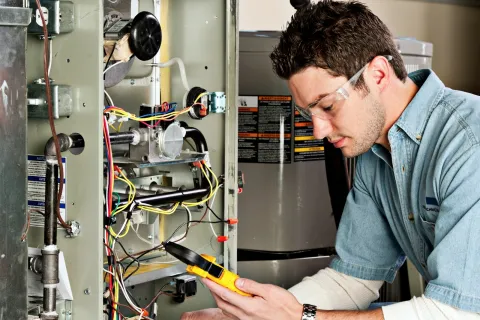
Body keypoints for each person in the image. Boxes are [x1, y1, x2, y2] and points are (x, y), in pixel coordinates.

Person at [181, 1, 480, 319]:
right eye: (307, 113)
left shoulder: (467, 141)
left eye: (328, 106)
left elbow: (455, 313)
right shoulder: (376, 152)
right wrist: (247, 317)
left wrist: (302, 317)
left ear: (378, 75)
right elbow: (353, 281)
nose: (318, 131)